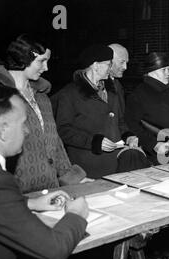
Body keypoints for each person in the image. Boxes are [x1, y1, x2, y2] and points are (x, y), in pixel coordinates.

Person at [0, 85, 88, 259]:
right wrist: (76, 214)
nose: (27, 131)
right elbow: (55, 248)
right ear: (2, 130)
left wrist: (31, 203)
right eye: (24, 123)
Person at [0, 34, 87, 193]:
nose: (46, 68)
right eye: (41, 61)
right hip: (16, 193)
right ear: (23, 58)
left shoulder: (42, 97)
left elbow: (55, 142)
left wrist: (73, 179)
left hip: (50, 188)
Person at [52, 44, 145, 178]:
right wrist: (93, 142)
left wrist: (128, 136)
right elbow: (63, 130)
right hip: (88, 168)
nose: (110, 68)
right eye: (108, 64)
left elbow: (120, 121)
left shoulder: (112, 90)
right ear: (95, 65)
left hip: (116, 165)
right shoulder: (70, 93)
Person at [125, 52, 169, 164]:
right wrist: (153, 144)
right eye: (164, 70)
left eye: (168, 70)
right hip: (156, 155)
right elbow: (132, 125)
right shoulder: (138, 95)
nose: (168, 73)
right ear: (150, 72)